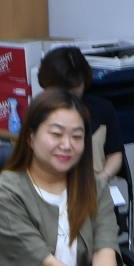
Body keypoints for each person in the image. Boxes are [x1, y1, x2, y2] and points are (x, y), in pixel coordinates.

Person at [0, 89, 120, 266]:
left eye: (76, 136)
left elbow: (105, 248)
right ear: (30, 136)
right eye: (56, 134)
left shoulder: (95, 187)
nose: (66, 145)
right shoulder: (4, 194)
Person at [38, 45, 124, 184]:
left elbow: (115, 154)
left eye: (75, 86)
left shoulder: (102, 108)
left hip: (94, 189)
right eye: (63, 88)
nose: (69, 94)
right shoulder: (39, 112)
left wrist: (102, 178)